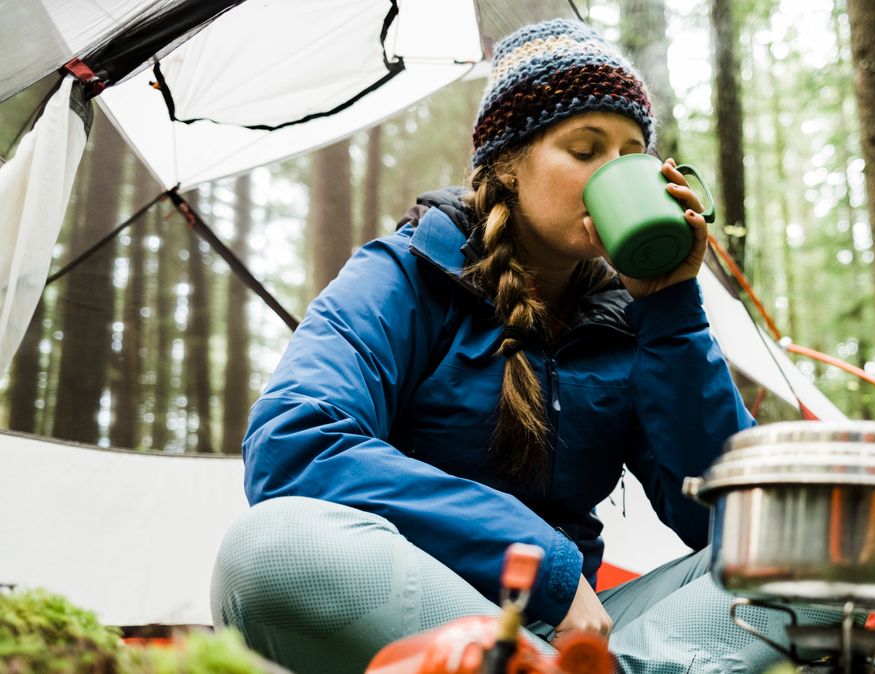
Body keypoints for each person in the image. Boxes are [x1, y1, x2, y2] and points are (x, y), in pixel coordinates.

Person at [211, 18, 839, 674]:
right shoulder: (406, 275)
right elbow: (295, 443)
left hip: (577, 646)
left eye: (632, 156)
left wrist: (673, 312)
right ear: (507, 164)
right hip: (410, 610)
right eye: (586, 148)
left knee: (810, 565)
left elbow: (730, 527)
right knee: (266, 547)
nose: (615, 172)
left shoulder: (633, 322)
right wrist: (539, 563)